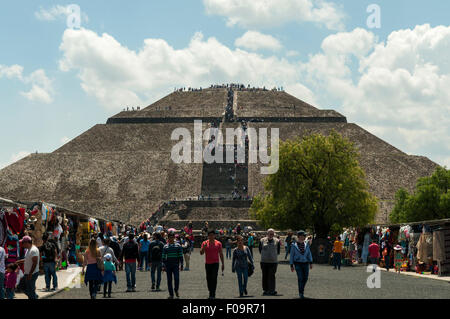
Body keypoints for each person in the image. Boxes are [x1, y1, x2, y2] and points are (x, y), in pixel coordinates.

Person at [200, 229, 225, 299]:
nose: (211, 236)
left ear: (214, 235)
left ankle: (212, 293)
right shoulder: (204, 243)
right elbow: (201, 253)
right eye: (210, 235)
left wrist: (223, 263)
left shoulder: (218, 243)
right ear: (208, 236)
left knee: (214, 278)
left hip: (215, 263)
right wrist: (204, 247)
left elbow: (221, 254)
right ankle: (210, 290)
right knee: (208, 278)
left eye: (212, 235)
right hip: (208, 263)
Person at [290, 231, 313, 299]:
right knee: (300, 278)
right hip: (298, 263)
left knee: (305, 278)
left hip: (306, 263)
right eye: (303, 235)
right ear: (299, 236)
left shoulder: (306, 244)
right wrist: (291, 265)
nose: (304, 237)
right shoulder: (294, 245)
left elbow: (309, 253)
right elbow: (291, 255)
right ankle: (301, 293)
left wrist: (311, 262)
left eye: (304, 236)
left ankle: (301, 289)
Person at [162, 232, 184, 299]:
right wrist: (163, 266)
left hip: (175, 265)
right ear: (168, 238)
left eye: (172, 237)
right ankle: (171, 294)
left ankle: (176, 289)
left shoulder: (178, 246)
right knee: (169, 280)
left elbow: (180, 256)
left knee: (176, 278)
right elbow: (163, 257)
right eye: (170, 237)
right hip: (168, 265)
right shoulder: (165, 246)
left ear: (174, 238)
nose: (171, 239)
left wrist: (182, 264)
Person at [259, 229, 280, 296]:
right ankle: (265, 290)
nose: (271, 235)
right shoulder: (262, 240)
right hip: (264, 261)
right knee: (264, 276)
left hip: (273, 262)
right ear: (267, 234)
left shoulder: (277, 241)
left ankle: (272, 290)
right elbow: (260, 249)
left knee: (272, 276)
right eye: (270, 234)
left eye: (272, 234)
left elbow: (278, 251)